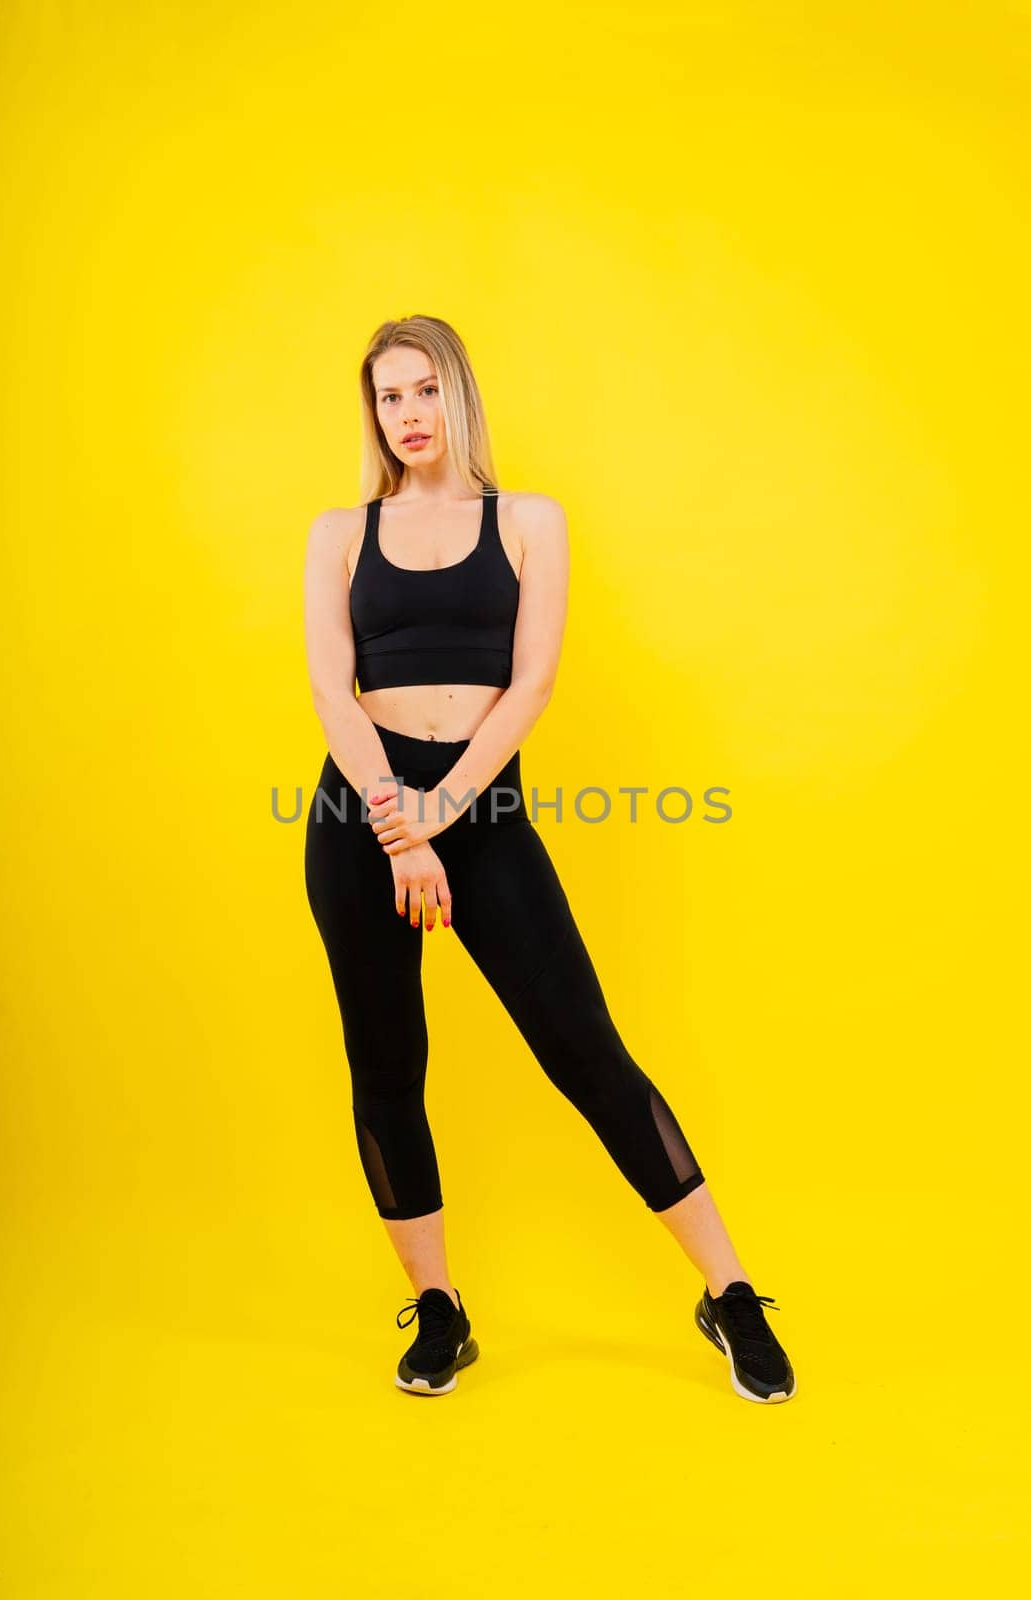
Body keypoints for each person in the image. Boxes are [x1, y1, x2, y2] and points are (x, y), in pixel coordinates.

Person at [303, 315, 796, 1404]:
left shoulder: (527, 519)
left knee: (586, 1050)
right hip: (361, 819)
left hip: (474, 809)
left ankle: (727, 1293)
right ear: (372, 414)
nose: (408, 414)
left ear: (457, 396)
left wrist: (437, 816)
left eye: (423, 390)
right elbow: (332, 688)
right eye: (388, 398)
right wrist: (397, 824)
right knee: (385, 1066)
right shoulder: (338, 531)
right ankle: (440, 1309)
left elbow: (529, 685)